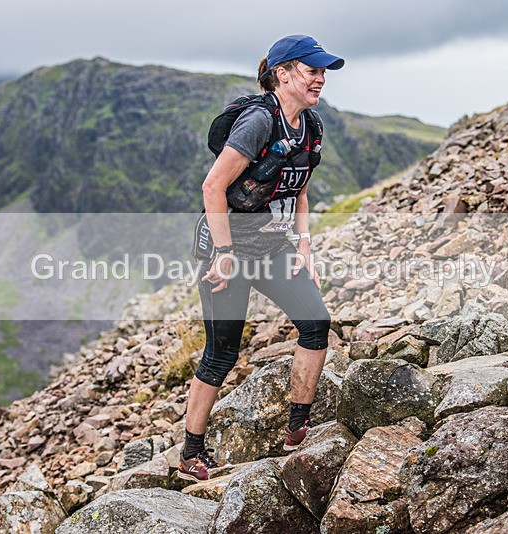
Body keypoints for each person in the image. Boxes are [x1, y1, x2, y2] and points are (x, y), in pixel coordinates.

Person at [179, 35, 344, 482]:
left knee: (315, 322)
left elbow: (300, 189)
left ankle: (298, 426)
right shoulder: (257, 122)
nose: (321, 79)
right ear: (283, 73)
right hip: (225, 249)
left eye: (323, 72)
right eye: (313, 71)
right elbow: (213, 187)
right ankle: (191, 452)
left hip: (272, 245)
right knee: (221, 352)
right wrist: (226, 253)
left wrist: (304, 243)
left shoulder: (311, 126)